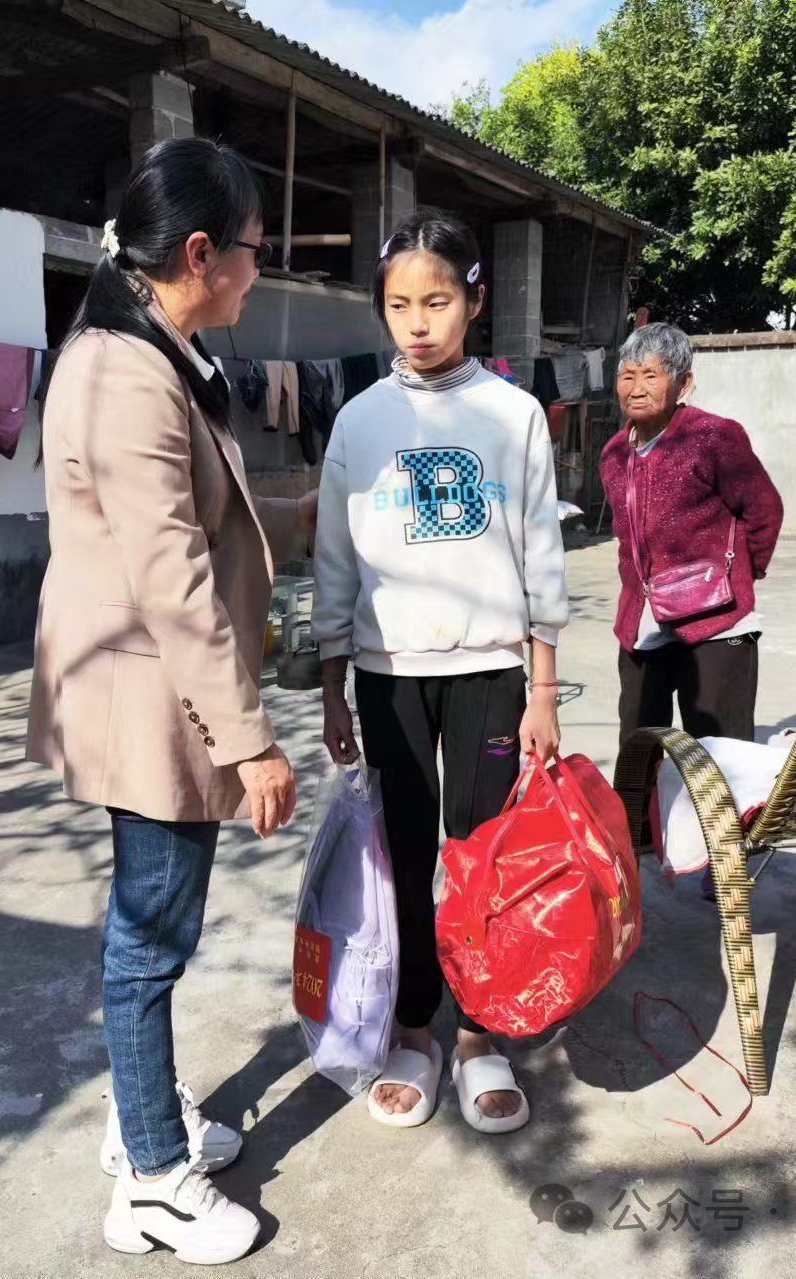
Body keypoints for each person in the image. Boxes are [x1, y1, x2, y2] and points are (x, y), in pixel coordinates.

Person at [27, 137, 315, 1266]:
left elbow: (208, 516)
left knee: (152, 926)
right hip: (147, 693)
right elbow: (173, 577)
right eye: (252, 250)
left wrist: (298, 514)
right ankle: (151, 1181)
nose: (258, 270)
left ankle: (137, 1117)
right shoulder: (122, 371)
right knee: (150, 937)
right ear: (200, 253)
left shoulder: (155, 350)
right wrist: (253, 742)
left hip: (157, 687)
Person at [313, 208, 569, 1136]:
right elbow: (336, 559)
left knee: (481, 859)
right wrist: (334, 685)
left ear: (475, 301)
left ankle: (478, 1033)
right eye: (398, 305)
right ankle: (416, 1028)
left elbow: (540, 554)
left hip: (492, 671)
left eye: (437, 302)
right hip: (388, 675)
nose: (418, 324)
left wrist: (544, 689)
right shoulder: (359, 419)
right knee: (408, 856)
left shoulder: (513, 414)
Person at [600, 320, 784, 757]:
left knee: (720, 760)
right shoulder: (614, 453)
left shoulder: (714, 437)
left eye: (651, 376)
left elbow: (764, 511)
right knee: (638, 756)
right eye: (628, 376)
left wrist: (739, 577)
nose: (637, 389)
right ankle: (645, 809)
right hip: (644, 625)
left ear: (683, 384)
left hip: (715, 625)